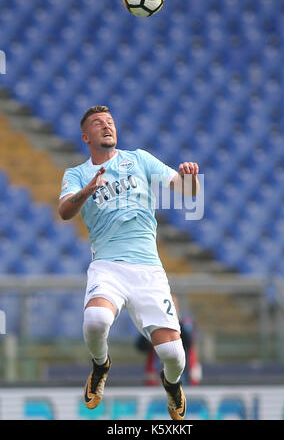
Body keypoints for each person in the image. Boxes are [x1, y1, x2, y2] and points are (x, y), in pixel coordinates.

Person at [58, 105, 200, 421]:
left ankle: (172, 384)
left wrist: (191, 177)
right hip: (108, 265)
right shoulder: (78, 174)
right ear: (86, 136)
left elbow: (188, 191)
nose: (106, 125)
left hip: (148, 270)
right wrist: (86, 192)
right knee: (95, 320)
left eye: (109, 121)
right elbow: (65, 211)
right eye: (97, 123)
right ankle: (100, 365)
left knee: (175, 356)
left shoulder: (139, 159)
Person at [135, 294, 202, 387]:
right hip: (156, 376)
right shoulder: (154, 324)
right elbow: (140, 346)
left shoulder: (186, 324)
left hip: (182, 375)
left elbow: (189, 341)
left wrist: (175, 320)